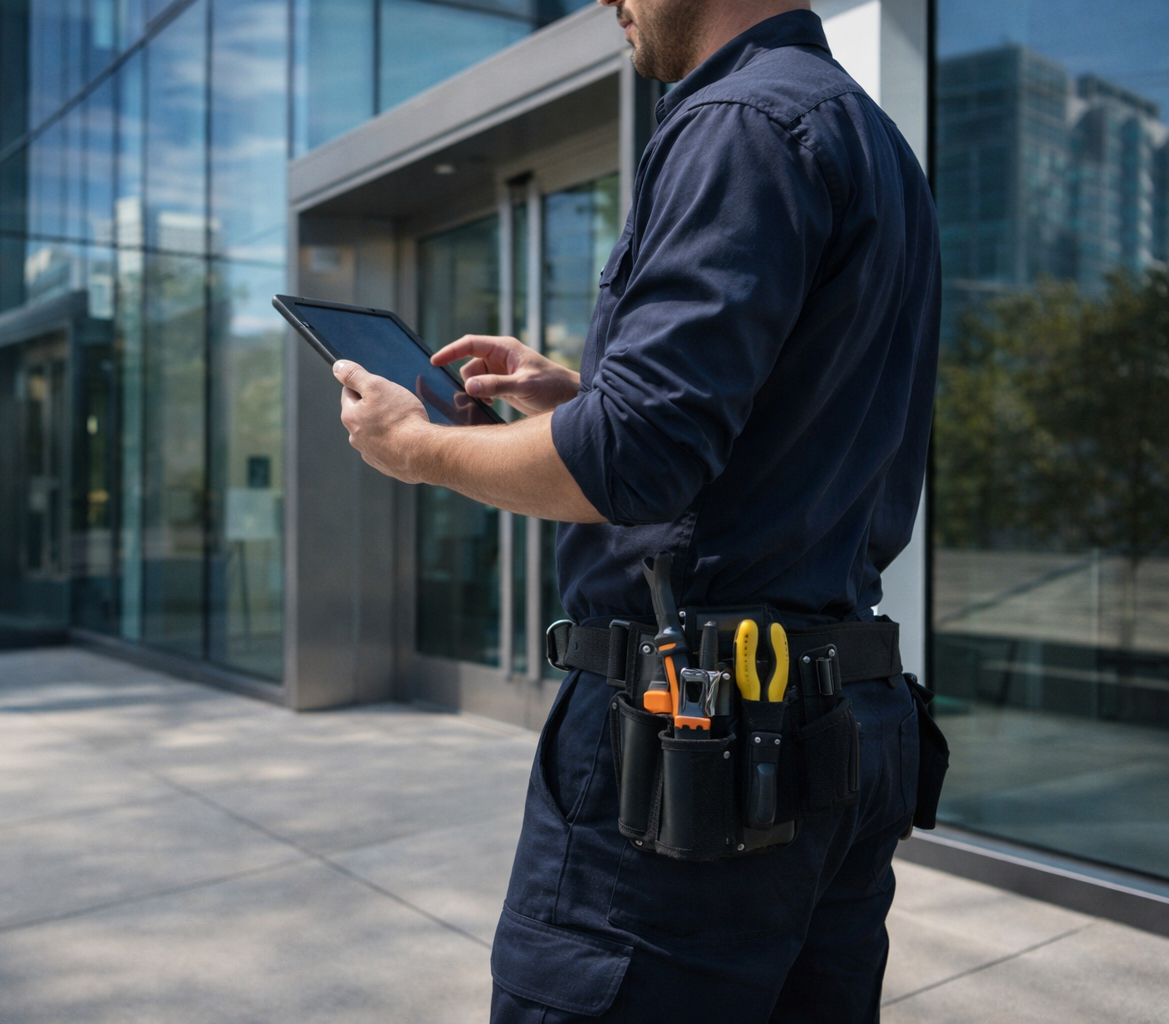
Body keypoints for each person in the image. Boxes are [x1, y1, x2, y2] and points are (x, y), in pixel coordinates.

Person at [332, 0, 940, 1019]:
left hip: (695, 756)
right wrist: (576, 396)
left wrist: (418, 446)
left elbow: (638, 459)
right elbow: (768, 441)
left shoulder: (737, 122)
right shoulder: (870, 138)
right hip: (839, 731)